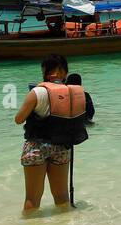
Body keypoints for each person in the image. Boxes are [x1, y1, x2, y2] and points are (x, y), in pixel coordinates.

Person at [13, 54, 89, 212]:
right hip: (62, 147)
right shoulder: (73, 93)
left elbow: (19, 119)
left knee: (32, 199)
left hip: (36, 146)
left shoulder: (38, 92)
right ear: (65, 72)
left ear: (45, 70)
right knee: (61, 196)